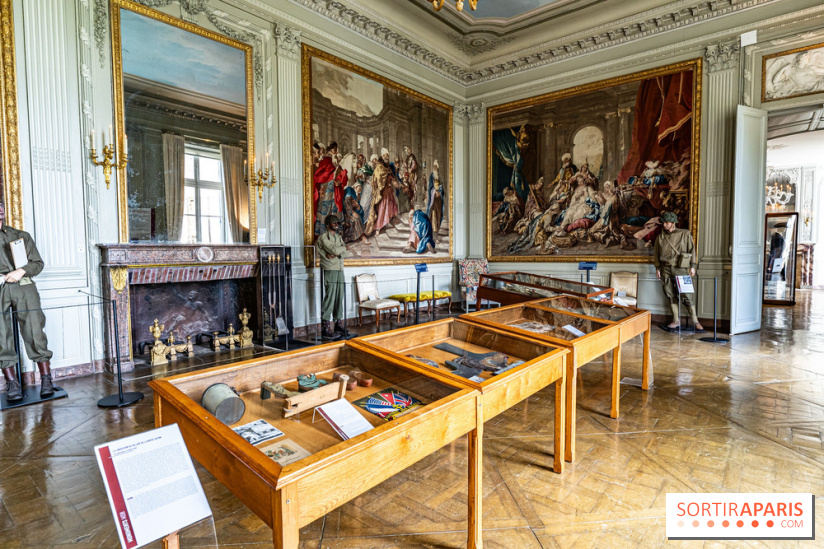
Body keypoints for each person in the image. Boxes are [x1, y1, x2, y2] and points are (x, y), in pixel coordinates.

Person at [0, 201, 54, 400]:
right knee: (1, 335)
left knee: (34, 330)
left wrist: (21, 271)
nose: (0, 208)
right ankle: (12, 383)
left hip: (23, 285)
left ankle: (46, 378)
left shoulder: (20, 236)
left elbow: (37, 263)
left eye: (1, 205)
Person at [653, 211, 703, 331]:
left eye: (667, 222)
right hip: (665, 268)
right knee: (670, 294)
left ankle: (695, 321)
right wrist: (657, 268)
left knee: (686, 294)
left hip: (681, 268)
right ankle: (676, 320)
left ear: (673, 223)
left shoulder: (685, 234)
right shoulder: (660, 237)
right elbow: (656, 254)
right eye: (663, 222)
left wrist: (693, 266)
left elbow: (692, 250)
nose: (664, 224)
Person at [316, 215, 349, 340]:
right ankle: (326, 327)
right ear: (328, 224)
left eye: (337, 222)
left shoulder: (338, 237)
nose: (336, 224)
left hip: (340, 269)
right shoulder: (324, 237)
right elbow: (335, 250)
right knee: (330, 298)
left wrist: (337, 252)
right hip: (330, 269)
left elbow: (346, 251)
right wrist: (338, 251)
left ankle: (338, 324)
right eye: (334, 222)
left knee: (339, 297)